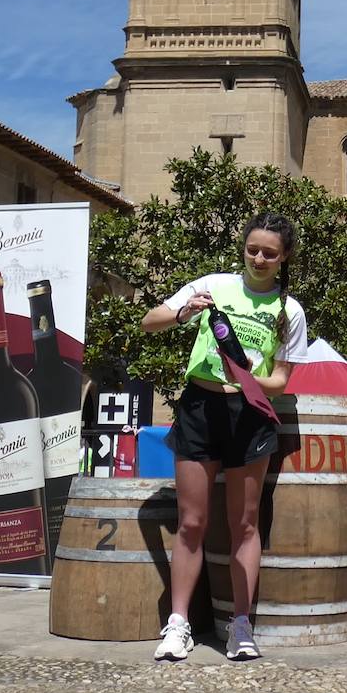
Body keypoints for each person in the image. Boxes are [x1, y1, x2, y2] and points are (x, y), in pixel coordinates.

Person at [140, 214, 307, 662]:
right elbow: (148, 322)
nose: (259, 258)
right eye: (253, 248)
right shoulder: (214, 284)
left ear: (283, 257)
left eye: (269, 253)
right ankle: (178, 625)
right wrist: (183, 312)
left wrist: (245, 380)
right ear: (244, 247)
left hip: (249, 414)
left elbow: (282, 380)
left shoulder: (289, 311)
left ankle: (240, 625)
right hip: (199, 408)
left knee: (245, 524)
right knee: (192, 522)